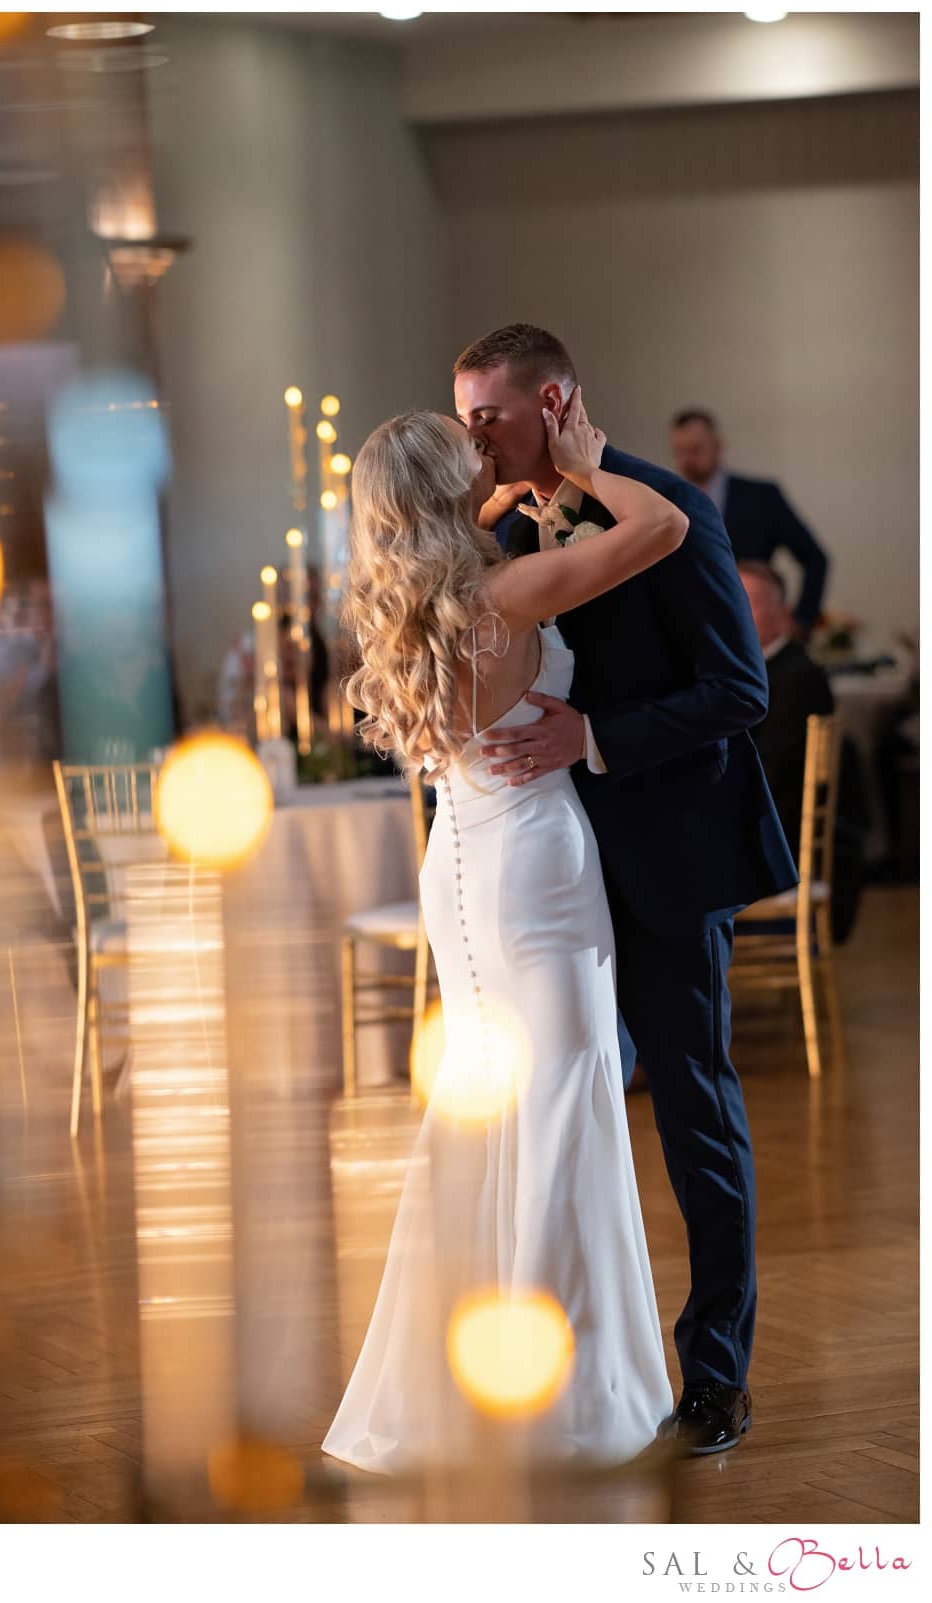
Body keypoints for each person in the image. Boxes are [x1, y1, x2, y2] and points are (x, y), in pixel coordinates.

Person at [426, 326, 791, 1461]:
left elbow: (737, 691)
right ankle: (570, 1365)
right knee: (551, 1112)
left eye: (486, 414)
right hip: (539, 869)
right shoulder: (480, 532)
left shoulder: (660, 505)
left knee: (692, 1112)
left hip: (664, 856)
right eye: (461, 416)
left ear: (554, 400)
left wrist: (596, 738)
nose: (470, 436)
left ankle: (714, 1373)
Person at [738, 560, 865, 941]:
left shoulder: (796, 677)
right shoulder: (763, 669)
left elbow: (775, 776)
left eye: (751, 602)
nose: (738, 612)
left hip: (788, 849)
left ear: (784, 613)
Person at [670, 408, 828, 634]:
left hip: (752, 625)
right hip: (689, 628)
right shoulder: (667, 501)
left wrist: (801, 621)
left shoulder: (761, 497)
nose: (688, 460)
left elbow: (815, 558)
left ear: (718, 446)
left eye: (696, 449)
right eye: (679, 452)